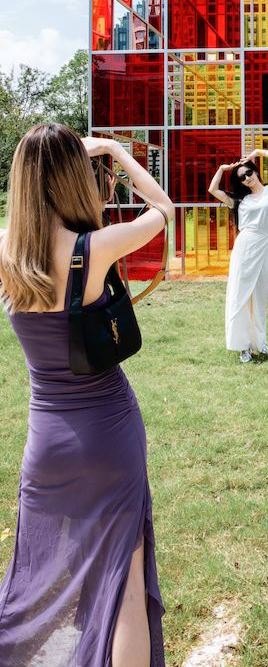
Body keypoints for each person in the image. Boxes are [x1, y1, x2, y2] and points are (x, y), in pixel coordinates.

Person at [0, 124, 174, 667]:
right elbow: (165, 209)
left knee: (38, 576)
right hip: (108, 434)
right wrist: (117, 152)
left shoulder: (5, 249)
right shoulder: (93, 249)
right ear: (71, 178)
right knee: (124, 587)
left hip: (46, 444)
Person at [209, 148, 268, 363]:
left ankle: (259, 343)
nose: (247, 178)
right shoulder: (239, 201)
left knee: (259, 297)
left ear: (255, 171)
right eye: (242, 177)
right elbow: (213, 189)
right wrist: (223, 169)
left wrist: (257, 152)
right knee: (240, 295)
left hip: (266, 245)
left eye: (248, 173)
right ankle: (242, 346)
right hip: (245, 247)